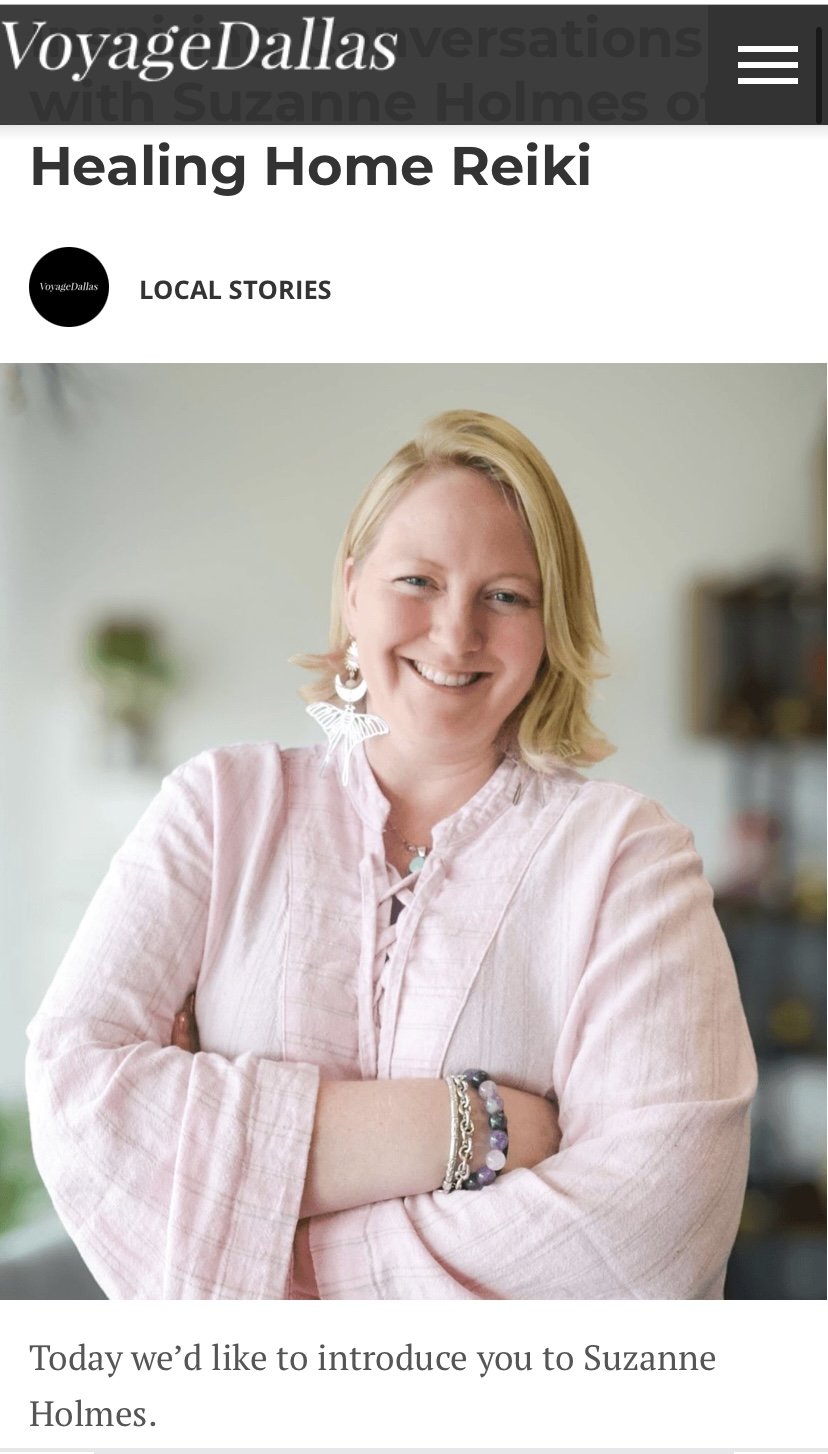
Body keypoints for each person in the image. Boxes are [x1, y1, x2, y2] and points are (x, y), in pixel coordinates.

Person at [26, 409, 756, 1300]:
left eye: (507, 596)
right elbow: (77, 1097)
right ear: (352, 589)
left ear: (549, 623)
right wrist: (473, 1127)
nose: (457, 635)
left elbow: (652, 1229)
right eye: (419, 579)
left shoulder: (629, 861)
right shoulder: (218, 809)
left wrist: (266, 1252)